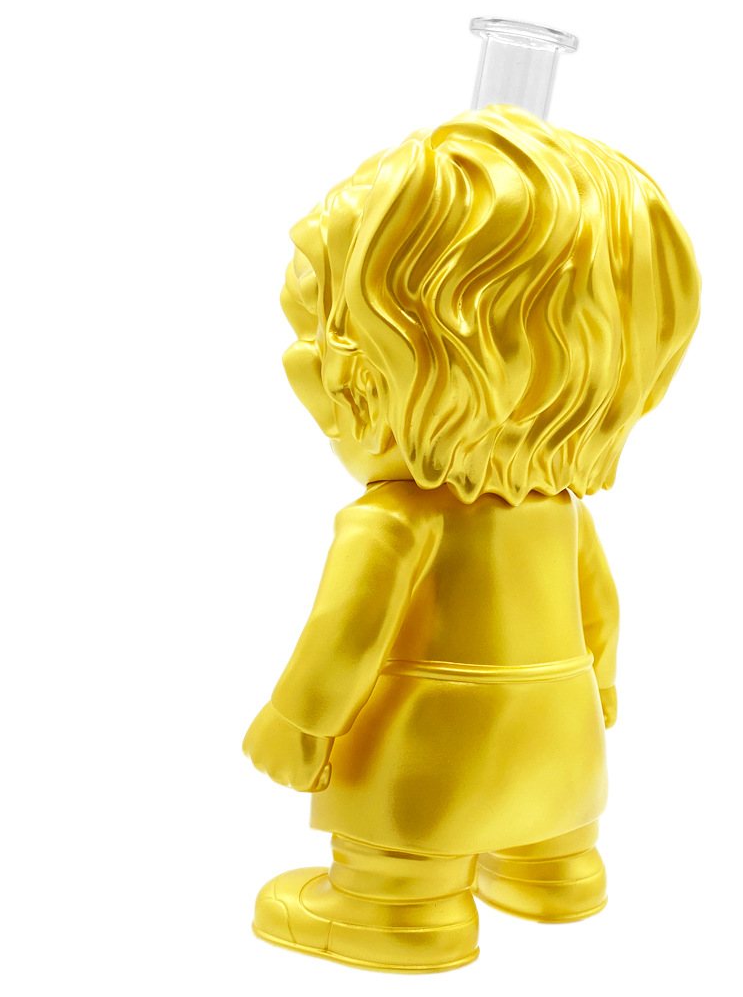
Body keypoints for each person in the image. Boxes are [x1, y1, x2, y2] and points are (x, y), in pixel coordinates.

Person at [243, 104, 701, 972]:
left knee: (398, 858)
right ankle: (554, 871)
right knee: (554, 828)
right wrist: (603, 684)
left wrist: (296, 723)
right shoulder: (561, 512)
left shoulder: (391, 521)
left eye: (318, 349)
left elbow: (345, 640)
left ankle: (396, 909)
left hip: (431, 762)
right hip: (563, 744)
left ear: (373, 381)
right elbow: (601, 610)